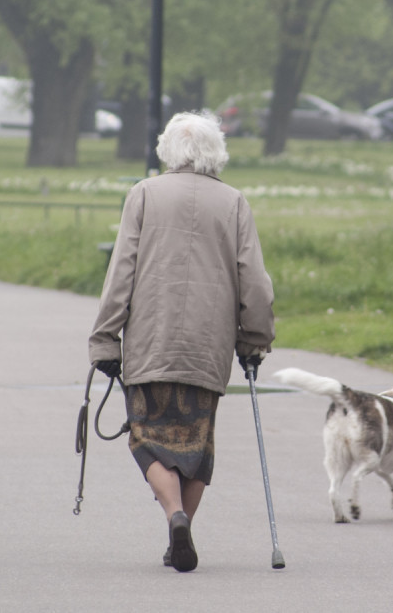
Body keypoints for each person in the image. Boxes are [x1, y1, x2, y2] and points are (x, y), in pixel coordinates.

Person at [88, 110, 275, 573]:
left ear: (167, 151)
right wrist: (254, 338)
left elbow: (121, 273)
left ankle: (173, 516)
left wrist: (105, 338)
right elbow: (254, 282)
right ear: (217, 154)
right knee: (196, 444)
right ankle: (181, 533)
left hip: (150, 343)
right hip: (207, 349)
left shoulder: (145, 194)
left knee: (146, 438)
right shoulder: (234, 203)